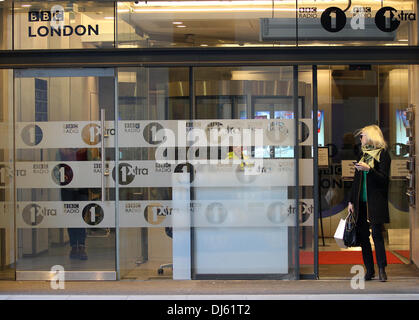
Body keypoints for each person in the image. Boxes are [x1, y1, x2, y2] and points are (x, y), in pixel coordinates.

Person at [348, 125, 391, 282]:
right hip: (360, 201)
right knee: (363, 237)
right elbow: (356, 180)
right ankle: (369, 270)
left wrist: (369, 170)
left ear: (372, 136)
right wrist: (351, 201)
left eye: (363, 135)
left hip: (375, 202)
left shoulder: (383, 155)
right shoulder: (363, 154)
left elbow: (384, 179)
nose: (360, 138)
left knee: (377, 235)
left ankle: (382, 269)